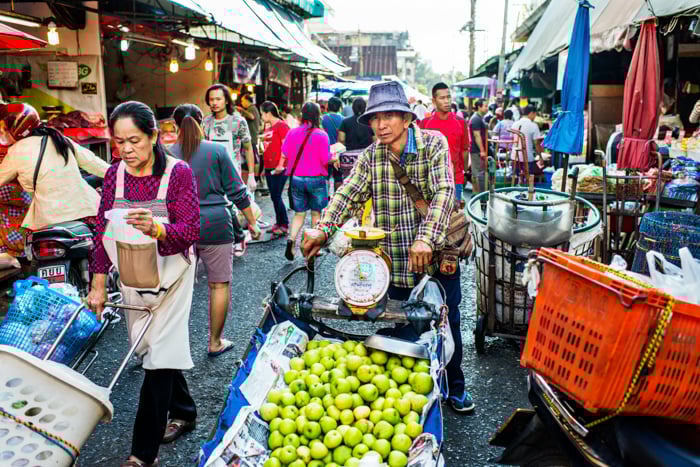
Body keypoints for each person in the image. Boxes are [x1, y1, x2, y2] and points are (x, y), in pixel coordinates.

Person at [301, 81, 474, 414]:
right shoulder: (371, 157)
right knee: (400, 323)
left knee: (445, 322)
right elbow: (348, 194)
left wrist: (426, 237)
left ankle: (456, 386)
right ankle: (411, 389)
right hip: (394, 261)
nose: (381, 125)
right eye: (375, 118)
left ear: (407, 119)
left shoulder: (433, 144)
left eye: (389, 116)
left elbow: (442, 193)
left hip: (438, 256)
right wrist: (323, 229)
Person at [87, 101, 200, 467]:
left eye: (134, 140)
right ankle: (184, 409)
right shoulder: (113, 176)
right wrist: (98, 283)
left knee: (159, 358)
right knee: (151, 349)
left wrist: (158, 228)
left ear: (154, 135)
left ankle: (142, 453)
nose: (126, 150)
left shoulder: (178, 173)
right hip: (134, 274)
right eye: (119, 142)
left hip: (173, 275)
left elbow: (191, 230)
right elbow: (102, 232)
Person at [170, 103, 261, 358]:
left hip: (179, 227)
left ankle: (171, 345)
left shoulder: (166, 154)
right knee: (218, 285)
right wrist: (252, 222)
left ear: (174, 124)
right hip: (216, 224)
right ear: (203, 121)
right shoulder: (217, 151)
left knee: (175, 288)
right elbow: (237, 191)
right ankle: (215, 342)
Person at [0, 103, 109, 264]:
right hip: (84, 211)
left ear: (17, 129)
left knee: (37, 261)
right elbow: (94, 164)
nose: (2, 133)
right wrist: (124, 175)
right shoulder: (59, 139)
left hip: (46, 219)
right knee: (104, 250)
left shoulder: (16, 151)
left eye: (4, 129)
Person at [202, 84, 254, 257]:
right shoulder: (206, 122)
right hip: (211, 172)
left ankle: (238, 237)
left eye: (218, 99)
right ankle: (232, 238)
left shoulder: (238, 121)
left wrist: (252, 174)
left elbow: (248, 148)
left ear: (226, 100)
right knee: (221, 206)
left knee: (232, 206)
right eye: (211, 99)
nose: (214, 103)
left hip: (232, 171)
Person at [281, 102, 333, 261]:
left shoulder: (292, 132)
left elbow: (285, 153)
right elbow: (326, 159)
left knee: (299, 213)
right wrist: (334, 157)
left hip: (296, 178)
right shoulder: (321, 134)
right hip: (316, 179)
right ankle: (312, 248)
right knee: (316, 213)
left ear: (302, 114)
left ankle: (291, 240)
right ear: (318, 115)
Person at [420, 82, 469, 206]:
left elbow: (464, 150)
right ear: (434, 101)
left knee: (454, 219)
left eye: (448, 97)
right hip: (431, 180)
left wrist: (463, 172)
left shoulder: (460, 122)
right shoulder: (425, 124)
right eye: (442, 98)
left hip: (455, 179)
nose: (447, 101)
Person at [261, 101, 291, 237]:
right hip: (268, 166)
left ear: (268, 113)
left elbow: (286, 147)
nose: (261, 116)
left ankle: (284, 224)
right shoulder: (268, 126)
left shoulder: (282, 126)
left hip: (280, 167)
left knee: (277, 195)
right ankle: (278, 223)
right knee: (274, 196)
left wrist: (281, 164)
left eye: (262, 113)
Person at [237, 91, 263, 189]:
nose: (242, 103)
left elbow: (251, 117)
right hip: (251, 138)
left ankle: (255, 178)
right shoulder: (253, 109)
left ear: (248, 101)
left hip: (251, 139)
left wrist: (241, 110)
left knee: (254, 159)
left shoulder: (252, 108)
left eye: (243, 101)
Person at [511, 104, 542, 177]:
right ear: (531, 113)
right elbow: (537, 143)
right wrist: (540, 157)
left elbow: (513, 139)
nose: (535, 117)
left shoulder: (515, 124)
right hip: (527, 158)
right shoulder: (533, 125)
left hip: (514, 156)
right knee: (528, 181)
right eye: (535, 114)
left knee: (515, 179)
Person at [322, 96, 344, 191]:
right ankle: (337, 198)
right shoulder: (344, 119)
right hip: (339, 153)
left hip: (325, 152)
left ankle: (326, 198)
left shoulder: (322, 119)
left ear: (328, 106)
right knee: (338, 177)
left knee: (325, 176)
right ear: (339, 107)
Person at [469, 99, 489, 193]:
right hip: (476, 150)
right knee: (477, 174)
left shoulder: (479, 118)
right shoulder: (476, 119)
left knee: (478, 173)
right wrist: (482, 150)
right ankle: (476, 194)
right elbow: (477, 135)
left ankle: (477, 193)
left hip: (478, 150)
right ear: (479, 107)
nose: (487, 108)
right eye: (485, 106)